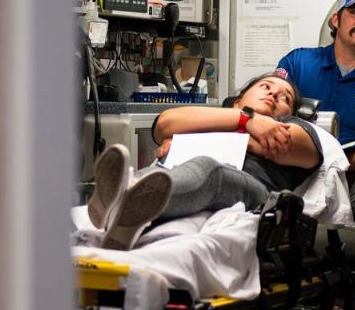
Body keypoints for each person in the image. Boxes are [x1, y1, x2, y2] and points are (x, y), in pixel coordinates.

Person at [87, 73, 323, 250]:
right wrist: (246, 120)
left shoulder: (300, 127)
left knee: (211, 171)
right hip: (182, 176)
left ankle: (120, 198)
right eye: (265, 86)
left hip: (253, 191)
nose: (274, 94)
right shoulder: (226, 115)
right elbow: (164, 124)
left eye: (285, 98)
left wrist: (202, 136)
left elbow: (285, 145)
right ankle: (124, 211)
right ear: (238, 101)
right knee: (174, 170)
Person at [275, 0, 355, 289]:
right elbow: (268, 113)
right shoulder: (297, 63)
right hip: (299, 169)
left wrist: (336, 161)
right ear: (336, 20)